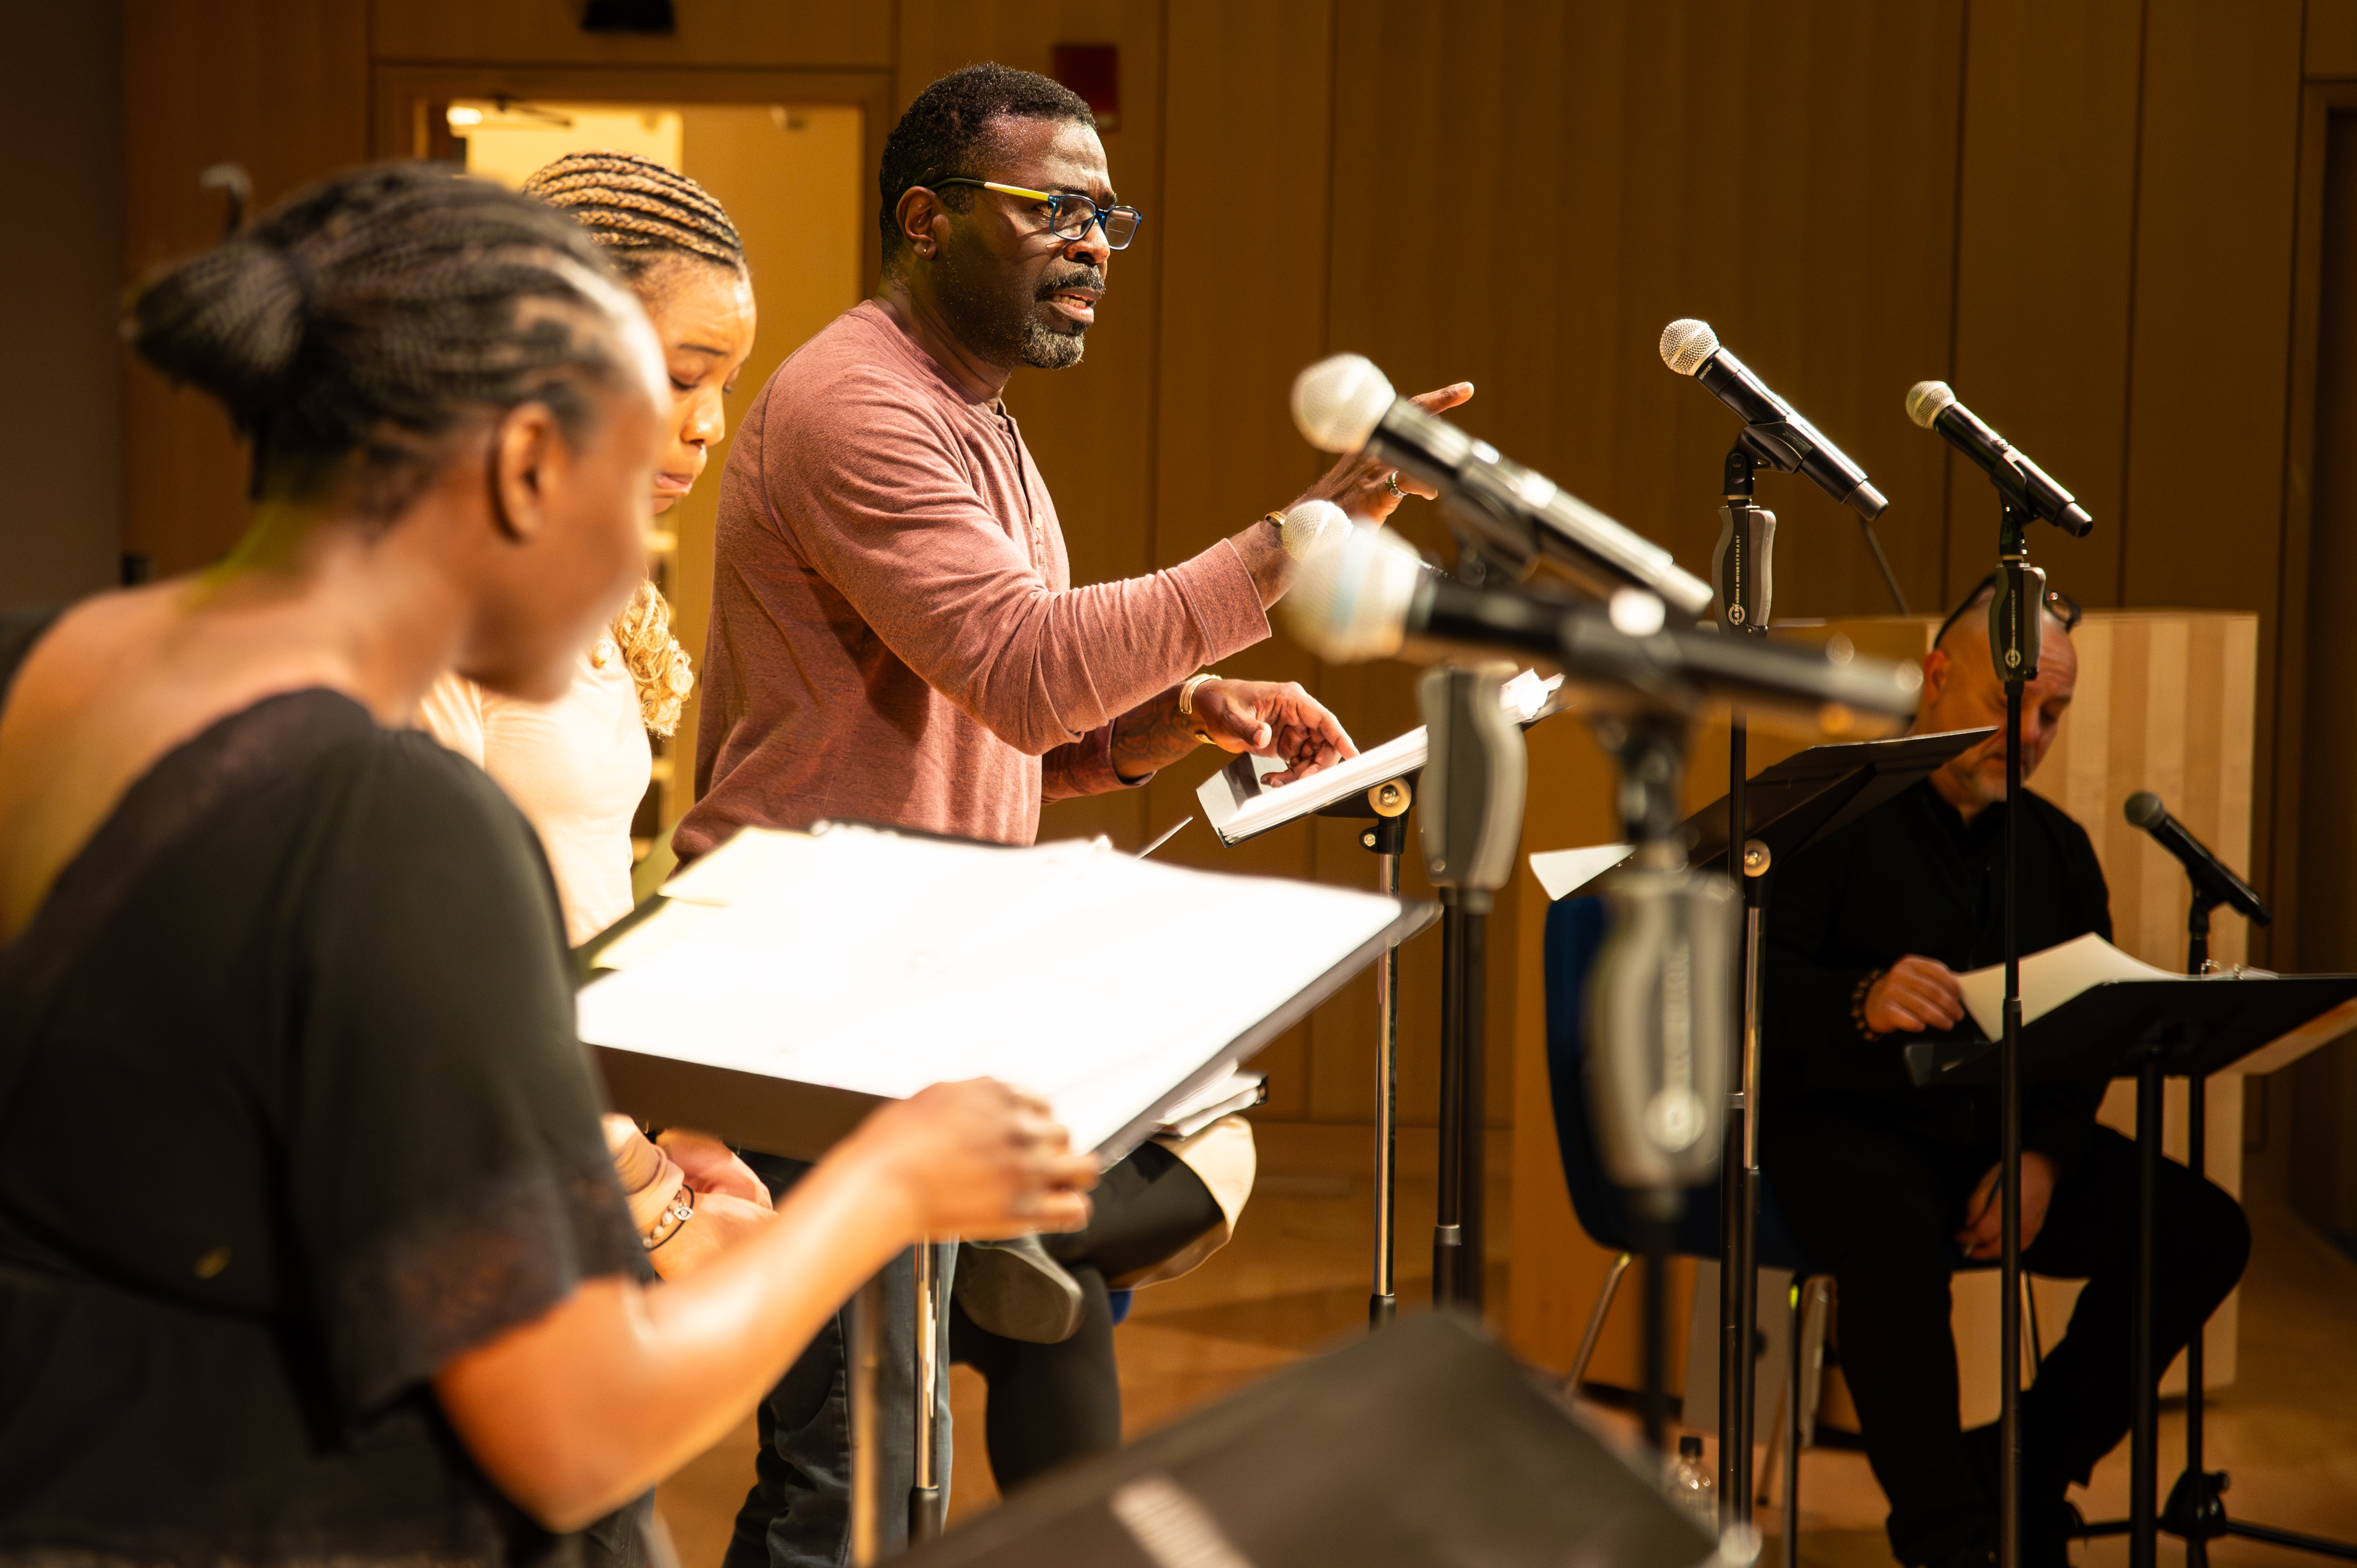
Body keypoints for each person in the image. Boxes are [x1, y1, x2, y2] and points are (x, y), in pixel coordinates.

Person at [0, 163, 1094, 1565]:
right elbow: (573, 1428)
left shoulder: (41, 662)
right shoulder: (396, 816)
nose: (653, 543)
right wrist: (877, 1187)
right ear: (527, 465)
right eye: (639, 496)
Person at [678, 62, 1471, 1567]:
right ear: (924, 219)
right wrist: (1299, 539)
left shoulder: (981, 420)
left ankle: (1009, 1286)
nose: (1096, 238)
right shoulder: (857, 402)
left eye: (1110, 213)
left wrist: (1171, 721)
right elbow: (1024, 668)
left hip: (910, 974)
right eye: (1054, 206)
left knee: (931, 1421)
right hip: (800, 973)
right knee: (839, 1472)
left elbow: (1000, 725)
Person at [1761, 578, 2251, 1568]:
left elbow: (2093, 1032)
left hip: (1993, 1145)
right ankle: (1950, 1540)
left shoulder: (2057, 852)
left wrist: (2044, 1154)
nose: (2029, 733)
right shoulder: (1831, 809)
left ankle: (2020, 1468)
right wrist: (1858, 997)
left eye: (2052, 714)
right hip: (1838, 1131)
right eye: (2009, 701)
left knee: (2199, 1227)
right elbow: (1745, 985)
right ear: (1936, 678)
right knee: (1890, 1224)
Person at [414, 151, 774, 1284]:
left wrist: (665, 1117)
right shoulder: (442, 594)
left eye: (725, 386)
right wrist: (649, 1194)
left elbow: (580, 901)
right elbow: (446, 969)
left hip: (584, 1144)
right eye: (683, 377)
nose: (711, 427)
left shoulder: (594, 584)